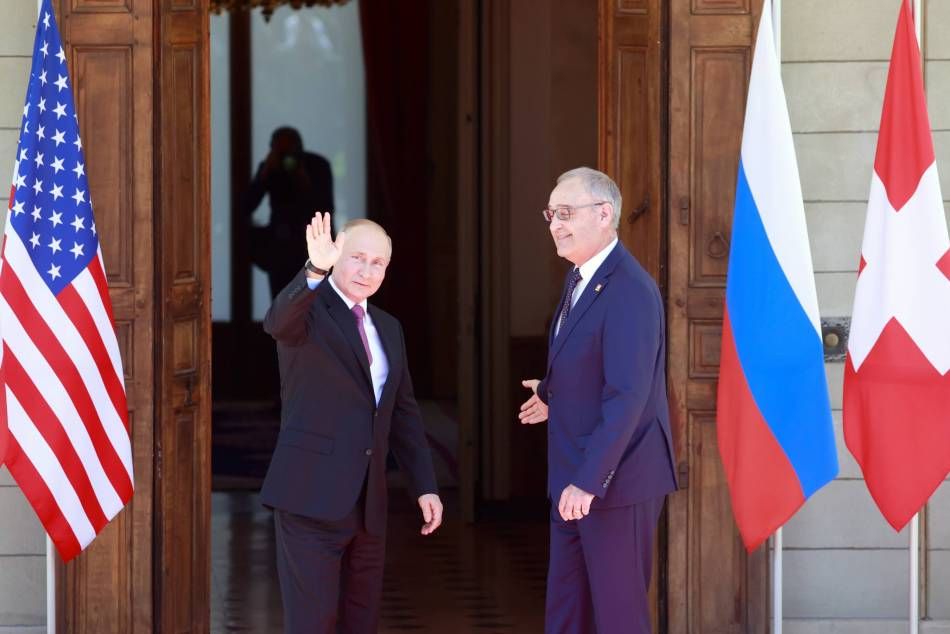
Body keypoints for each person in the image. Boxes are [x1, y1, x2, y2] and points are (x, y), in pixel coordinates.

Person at [260, 213, 443, 633]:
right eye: (357, 257)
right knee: (313, 624)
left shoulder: (389, 327)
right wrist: (314, 269)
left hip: (368, 507)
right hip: (309, 500)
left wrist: (426, 486)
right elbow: (277, 323)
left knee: (361, 622)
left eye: (378, 263)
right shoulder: (309, 312)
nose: (366, 270)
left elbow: (404, 414)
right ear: (336, 255)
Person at [519, 167, 677, 634]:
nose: (555, 224)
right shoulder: (579, 278)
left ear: (604, 214)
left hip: (613, 483)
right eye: (551, 214)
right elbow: (591, 360)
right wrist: (553, 395)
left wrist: (589, 482)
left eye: (566, 213)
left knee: (617, 617)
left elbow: (628, 394)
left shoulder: (629, 288)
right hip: (572, 480)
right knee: (568, 613)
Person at [245, 126, 335, 298]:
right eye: (280, 150)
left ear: (299, 148)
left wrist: (304, 180)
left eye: (290, 150)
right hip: (280, 249)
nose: (287, 157)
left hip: (312, 247)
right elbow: (247, 205)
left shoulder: (317, 166)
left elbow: (326, 209)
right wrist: (264, 175)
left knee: (315, 306)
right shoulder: (270, 167)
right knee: (282, 305)